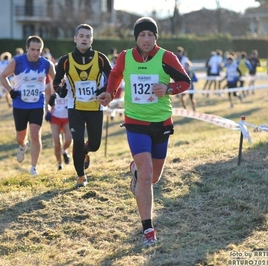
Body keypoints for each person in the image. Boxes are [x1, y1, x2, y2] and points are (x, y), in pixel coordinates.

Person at [97, 17, 191, 246]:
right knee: (147, 174)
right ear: (136, 38)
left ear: (155, 37)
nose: (146, 39)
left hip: (161, 123)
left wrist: (168, 88)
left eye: (150, 35)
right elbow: (115, 75)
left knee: (153, 178)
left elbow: (185, 81)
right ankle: (148, 229)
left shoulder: (166, 57)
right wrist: (110, 93)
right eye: (142, 35)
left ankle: (136, 173)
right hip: (136, 123)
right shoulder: (125, 57)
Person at [53, 23, 112, 188]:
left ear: (92, 40)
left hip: (95, 107)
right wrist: (61, 91)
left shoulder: (100, 58)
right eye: (81, 36)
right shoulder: (65, 60)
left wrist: (104, 89)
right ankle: (81, 176)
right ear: (75, 38)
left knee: (95, 145)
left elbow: (113, 78)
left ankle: (86, 151)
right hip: (75, 108)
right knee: (77, 141)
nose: (84, 39)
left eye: (88, 36)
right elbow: (56, 82)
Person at [0, 35, 56, 176]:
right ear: (27, 49)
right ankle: (22, 145)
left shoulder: (46, 64)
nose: (35, 53)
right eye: (32, 49)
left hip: (37, 103)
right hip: (20, 104)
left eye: (38, 50)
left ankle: (33, 167)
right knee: (20, 136)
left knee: (36, 134)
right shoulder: (17, 61)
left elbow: (57, 79)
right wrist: (11, 91)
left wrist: (54, 93)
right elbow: (2, 76)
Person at [45, 83, 72, 170]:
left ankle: (63, 150)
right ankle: (59, 164)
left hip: (67, 117)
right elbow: (47, 102)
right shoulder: (50, 87)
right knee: (57, 143)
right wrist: (47, 112)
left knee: (69, 139)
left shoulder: (70, 83)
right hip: (55, 117)